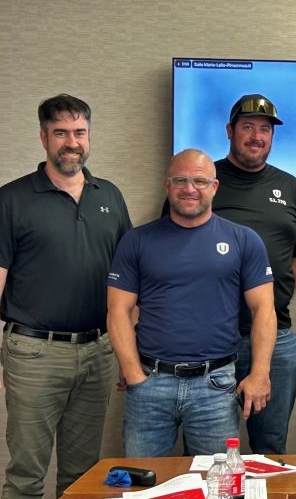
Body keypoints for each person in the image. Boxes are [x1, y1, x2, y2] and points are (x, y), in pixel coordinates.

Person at [0, 94, 132, 499]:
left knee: (83, 474)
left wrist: (130, 352)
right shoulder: (12, 199)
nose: (71, 142)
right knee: (26, 473)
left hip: (97, 350)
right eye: (60, 132)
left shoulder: (108, 195)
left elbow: (128, 282)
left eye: (79, 132)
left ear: (89, 136)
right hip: (34, 353)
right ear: (43, 137)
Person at [107, 149, 276, 457]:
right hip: (150, 385)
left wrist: (260, 372)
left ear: (214, 187)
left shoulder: (244, 239)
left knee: (217, 485)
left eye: (199, 181)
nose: (189, 189)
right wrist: (133, 374)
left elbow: (264, 309)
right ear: (167, 185)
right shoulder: (137, 241)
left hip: (216, 387)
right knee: (144, 484)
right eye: (181, 180)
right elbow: (118, 310)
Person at [217, 94, 296, 454]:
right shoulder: (202, 181)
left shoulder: (290, 187)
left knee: (271, 449)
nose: (257, 136)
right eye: (248, 127)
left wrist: (273, 294)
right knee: (209, 450)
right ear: (230, 131)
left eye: (264, 129)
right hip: (211, 339)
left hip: (278, 339)